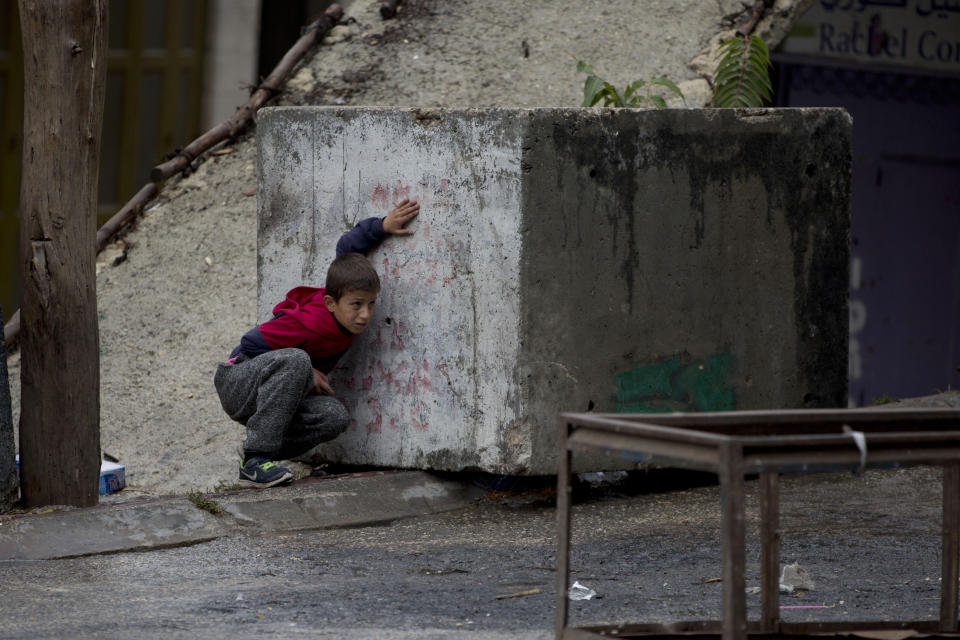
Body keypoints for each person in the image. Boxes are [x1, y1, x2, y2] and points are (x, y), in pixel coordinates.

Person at [214, 198, 420, 488]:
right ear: (330, 303)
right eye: (357, 304)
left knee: (334, 417)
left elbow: (346, 251)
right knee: (297, 360)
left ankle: (255, 449)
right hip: (237, 381)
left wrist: (382, 226)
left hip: (273, 391)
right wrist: (307, 370)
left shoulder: (341, 305)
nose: (365, 314)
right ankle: (255, 461)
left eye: (371, 304)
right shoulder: (308, 322)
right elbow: (250, 342)